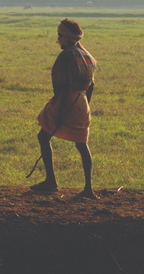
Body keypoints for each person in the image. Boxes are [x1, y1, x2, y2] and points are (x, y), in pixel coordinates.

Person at [30, 19, 98, 199]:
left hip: (66, 100)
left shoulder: (67, 56)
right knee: (82, 144)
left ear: (67, 37)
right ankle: (88, 188)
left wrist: (60, 112)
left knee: (43, 136)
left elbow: (62, 88)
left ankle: (51, 181)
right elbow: (91, 86)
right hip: (82, 102)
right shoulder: (88, 56)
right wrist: (85, 106)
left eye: (60, 36)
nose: (58, 39)